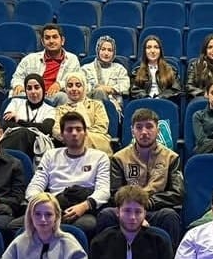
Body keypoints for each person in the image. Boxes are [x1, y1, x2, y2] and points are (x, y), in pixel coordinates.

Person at [102, 107, 184, 243]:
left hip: (156, 209)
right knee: (106, 214)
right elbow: (115, 193)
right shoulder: (119, 158)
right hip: (128, 209)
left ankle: (170, 257)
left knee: (170, 216)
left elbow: (177, 193)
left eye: (149, 127)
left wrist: (148, 204)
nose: (144, 132)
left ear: (158, 130)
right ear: (132, 131)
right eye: (139, 127)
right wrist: (134, 210)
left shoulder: (171, 157)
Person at [26, 111, 111, 241]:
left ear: (86, 133)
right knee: (16, 226)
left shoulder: (99, 157)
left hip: (83, 206)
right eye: (69, 130)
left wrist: (84, 206)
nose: (74, 133)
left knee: (87, 225)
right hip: (54, 205)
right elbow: (34, 186)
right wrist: (45, 205)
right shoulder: (50, 155)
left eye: (78, 129)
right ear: (62, 135)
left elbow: (103, 191)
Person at [10, 23, 81, 105]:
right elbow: (17, 77)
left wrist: (60, 84)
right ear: (43, 42)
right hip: (33, 94)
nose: (51, 41)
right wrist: (18, 85)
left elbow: (77, 80)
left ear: (62, 40)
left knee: (63, 97)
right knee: (18, 94)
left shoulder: (72, 59)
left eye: (55, 37)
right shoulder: (29, 59)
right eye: (47, 38)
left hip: (54, 96)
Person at [51, 71, 112, 154]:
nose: (74, 89)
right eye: (70, 86)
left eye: (78, 85)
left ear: (84, 87)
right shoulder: (61, 109)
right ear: (66, 89)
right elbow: (56, 130)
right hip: (69, 142)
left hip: (97, 140)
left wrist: (81, 134)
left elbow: (101, 127)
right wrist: (71, 136)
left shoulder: (96, 105)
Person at [1, 73, 56, 163]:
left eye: (37, 87)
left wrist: (19, 121)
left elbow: (46, 129)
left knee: (23, 133)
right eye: (29, 88)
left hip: (38, 143)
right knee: (21, 134)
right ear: (26, 91)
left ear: (43, 89)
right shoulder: (15, 102)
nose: (33, 91)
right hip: (13, 138)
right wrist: (35, 127)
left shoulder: (50, 109)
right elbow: (7, 124)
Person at [81, 35, 130, 112]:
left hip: (113, 106)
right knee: (99, 92)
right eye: (103, 49)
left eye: (109, 50)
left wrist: (110, 89)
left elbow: (125, 86)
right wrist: (97, 89)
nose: (106, 53)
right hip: (88, 105)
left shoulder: (120, 69)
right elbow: (81, 87)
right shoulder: (86, 69)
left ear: (113, 53)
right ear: (98, 51)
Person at [130, 35, 181, 100]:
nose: (152, 51)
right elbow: (134, 90)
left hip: (164, 102)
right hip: (144, 102)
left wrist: (160, 97)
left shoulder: (171, 70)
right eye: (149, 47)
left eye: (156, 47)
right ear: (144, 51)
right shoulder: (136, 71)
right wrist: (147, 97)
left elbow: (176, 89)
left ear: (160, 51)